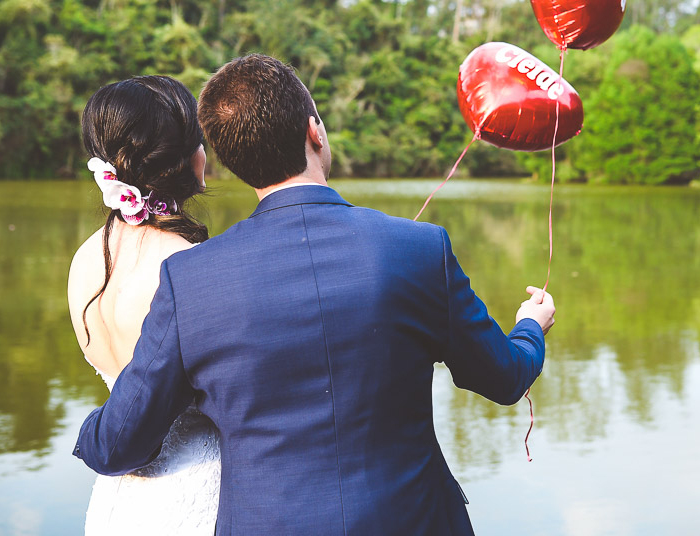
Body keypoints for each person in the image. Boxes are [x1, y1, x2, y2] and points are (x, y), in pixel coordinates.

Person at [74, 54, 556, 535]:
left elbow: (118, 446)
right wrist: (530, 326)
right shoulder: (420, 248)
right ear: (314, 132)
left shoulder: (189, 279)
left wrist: (88, 428)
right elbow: (504, 377)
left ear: (232, 163)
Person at [67, 75, 220, 535]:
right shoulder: (191, 266)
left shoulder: (85, 258)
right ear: (191, 157)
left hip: (115, 501)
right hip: (194, 497)